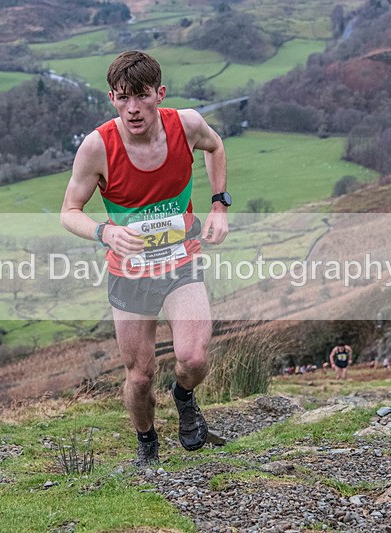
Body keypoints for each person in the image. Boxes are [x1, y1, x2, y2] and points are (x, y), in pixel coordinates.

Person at [60, 50, 229, 466]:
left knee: (193, 357)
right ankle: (147, 441)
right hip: (130, 271)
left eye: (141, 96)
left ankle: (184, 397)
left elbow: (216, 145)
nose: (132, 108)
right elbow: (69, 212)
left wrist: (219, 204)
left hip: (180, 259)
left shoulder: (186, 124)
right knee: (140, 376)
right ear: (112, 99)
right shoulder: (97, 147)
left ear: (159, 93)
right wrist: (107, 232)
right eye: (122, 98)